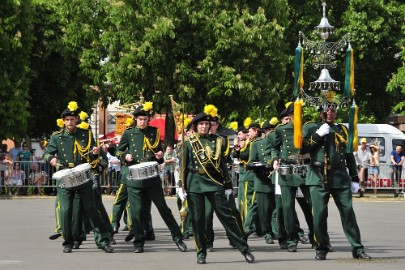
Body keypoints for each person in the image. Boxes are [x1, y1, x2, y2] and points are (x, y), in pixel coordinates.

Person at [180, 112, 254, 264]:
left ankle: (243, 248)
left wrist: (227, 185)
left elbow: (222, 166)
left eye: (206, 124)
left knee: (226, 217)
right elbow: (184, 165)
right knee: (198, 220)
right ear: (196, 126)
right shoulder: (189, 142)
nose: (204, 126)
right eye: (201, 124)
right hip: (194, 183)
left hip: (214, 183)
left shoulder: (218, 141)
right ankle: (201, 252)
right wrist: (183, 186)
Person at [302, 103, 371, 261]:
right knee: (319, 216)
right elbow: (302, 150)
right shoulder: (311, 128)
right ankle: (321, 247)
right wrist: (318, 135)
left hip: (339, 176)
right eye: (326, 110)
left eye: (332, 110)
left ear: (336, 113)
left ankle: (357, 248)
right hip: (318, 176)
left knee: (348, 213)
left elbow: (348, 155)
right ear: (320, 112)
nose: (329, 113)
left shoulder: (343, 130)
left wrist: (354, 177)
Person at [115, 102, 187, 254]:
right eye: (140, 119)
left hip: (151, 177)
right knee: (137, 211)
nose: (143, 122)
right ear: (135, 119)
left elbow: (158, 153)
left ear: (148, 119)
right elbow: (118, 151)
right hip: (134, 178)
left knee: (163, 208)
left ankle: (177, 238)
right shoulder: (129, 133)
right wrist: (124, 156)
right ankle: (139, 242)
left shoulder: (154, 132)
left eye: (145, 119)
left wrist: (160, 155)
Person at [43, 101, 113, 253]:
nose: (69, 122)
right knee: (66, 211)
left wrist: (95, 153)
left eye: (71, 119)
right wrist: (51, 159)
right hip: (65, 177)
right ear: (63, 121)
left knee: (91, 209)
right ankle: (68, 242)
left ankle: (103, 241)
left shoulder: (85, 134)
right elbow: (47, 153)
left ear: (76, 120)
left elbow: (91, 156)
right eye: (66, 120)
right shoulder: (57, 137)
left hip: (82, 176)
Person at [270, 103, 314, 252]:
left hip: (304, 169)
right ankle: (292, 239)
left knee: (311, 206)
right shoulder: (282, 130)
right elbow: (274, 147)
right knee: (288, 207)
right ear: (289, 116)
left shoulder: (307, 129)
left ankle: (316, 237)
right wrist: (275, 158)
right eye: (295, 114)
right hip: (287, 169)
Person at [247, 122, 275, 245]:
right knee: (264, 210)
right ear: (264, 132)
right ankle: (267, 232)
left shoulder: (279, 144)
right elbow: (251, 162)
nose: (271, 133)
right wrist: (264, 166)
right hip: (263, 180)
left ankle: (285, 233)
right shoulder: (257, 144)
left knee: (280, 209)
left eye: (273, 130)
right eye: (269, 131)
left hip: (279, 180)